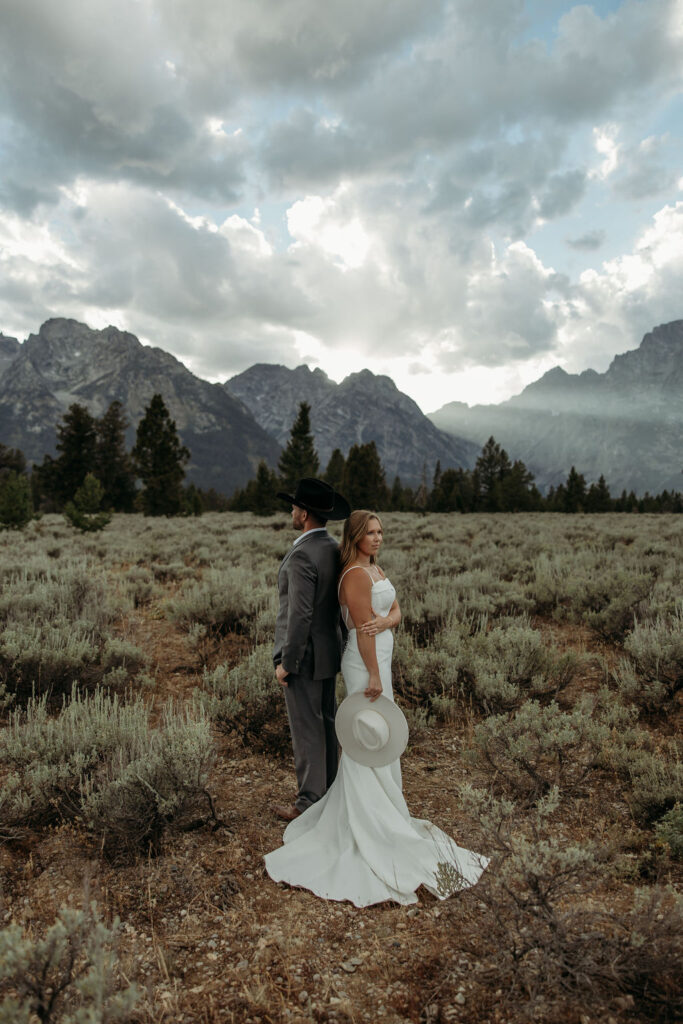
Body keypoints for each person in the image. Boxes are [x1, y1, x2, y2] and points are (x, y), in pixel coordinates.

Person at [265, 509, 489, 906]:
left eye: (381, 531)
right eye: (370, 533)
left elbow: (395, 613)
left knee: (380, 737)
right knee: (368, 736)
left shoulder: (377, 570)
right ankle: (365, 820)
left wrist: (388, 623)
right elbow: (362, 630)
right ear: (355, 537)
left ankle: (387, 811)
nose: (378, 537)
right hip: (365, 664)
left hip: (380, 657)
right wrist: (373, 675)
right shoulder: (353, 575)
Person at [271, 478, 351, 822]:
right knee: (327, 723)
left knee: (306, 729)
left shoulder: (303, 554)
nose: (291, 511)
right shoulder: (334, 548)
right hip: (328, 652)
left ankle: (307, 802)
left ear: (304, 513)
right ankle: (330, 791)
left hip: (304, 658)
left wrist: (287, 662)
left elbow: (299, 616)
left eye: (294, 507)